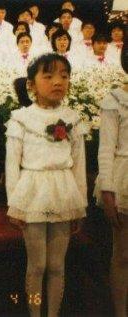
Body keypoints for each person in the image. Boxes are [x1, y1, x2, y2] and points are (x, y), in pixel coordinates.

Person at [7, 54, 88, 317]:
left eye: (64, 76)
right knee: (37, 264)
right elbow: (12, 165)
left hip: (63, 191)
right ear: (31, 84)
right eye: (49, 76)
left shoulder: (72, 119)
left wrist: (80, 205)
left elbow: (79, 165)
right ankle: (34, 312)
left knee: (56, 265)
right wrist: (14, 204)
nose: (58, 82)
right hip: (32, 192)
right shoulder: (21, 118)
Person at [97, 41, 128, 317]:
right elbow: (105, 149)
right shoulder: (115, 100)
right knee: (123, 255)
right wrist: (108, 190)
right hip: (124, 180)